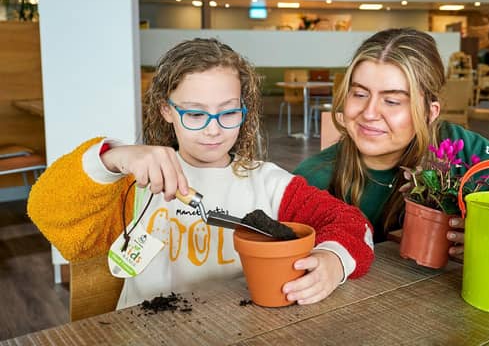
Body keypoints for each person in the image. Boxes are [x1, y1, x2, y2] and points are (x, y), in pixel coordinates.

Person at [28, 38, 374, 309]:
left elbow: (353, 225)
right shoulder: (135, 185)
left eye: (227, 113)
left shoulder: (269, 184)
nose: (213, 130)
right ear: (166, 110)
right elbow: (48, 211)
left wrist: (332, 261)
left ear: (244, 109)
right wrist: (112, 157)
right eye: (195, 114)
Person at [293, 28, 489, 253]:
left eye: (392, 101)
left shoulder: (459, 149)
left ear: (431, 112)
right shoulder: (314, 175)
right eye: (359, 94)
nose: (369, 113)